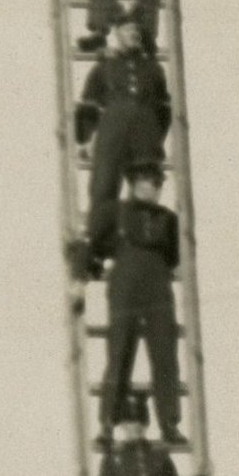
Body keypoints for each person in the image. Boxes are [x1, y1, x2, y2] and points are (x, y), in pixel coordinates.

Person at [85, 159, 187, 449]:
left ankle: (169, 424)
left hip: (157, 286)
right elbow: (95, 246)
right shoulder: (115, 212)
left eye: (157, 183)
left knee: (164, 354)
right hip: (125, 285)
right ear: (132, 183)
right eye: (146, 181)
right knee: (119, 353)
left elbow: (174, 256)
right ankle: (107, 425)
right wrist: (90, 267)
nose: (152, 188)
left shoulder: (168, 219)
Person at [75, 13, 172, 212]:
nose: (134, 33)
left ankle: (142, 239)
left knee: (147, 189)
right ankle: (101, 237)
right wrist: (85, 139)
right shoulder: (104, 67)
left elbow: (164, 109)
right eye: (128, 29)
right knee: (103, 188)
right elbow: (89, 105)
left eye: (136, 30)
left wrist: (155, 138)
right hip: (112, 134)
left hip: (145, 135)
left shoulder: (154, 69)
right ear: (118, 33)